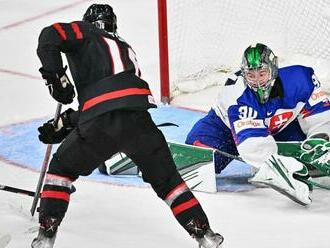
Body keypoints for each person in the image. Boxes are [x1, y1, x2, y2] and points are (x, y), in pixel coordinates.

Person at [32, 4, 223, 248]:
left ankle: (46, 234)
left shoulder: (84, 31)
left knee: (61, 169)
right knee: (168, 181)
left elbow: (49, 35)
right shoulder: (124, 48)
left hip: (100, 123)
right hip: (140, 123)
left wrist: (56, 77)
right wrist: (67, 122)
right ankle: (204, 234)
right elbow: (115, 102)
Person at [186, 43, 330, 205]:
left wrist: (319, 140)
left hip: (278, 128)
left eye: (262, 74)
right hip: (225, 130)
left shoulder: (300, 79)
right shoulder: (238, 96)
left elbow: (320, 115)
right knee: (196, 161)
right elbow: (253, 143)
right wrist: (280, 169)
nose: (257, 82)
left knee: (311, 150)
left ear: (273, 69)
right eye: (251, 75)